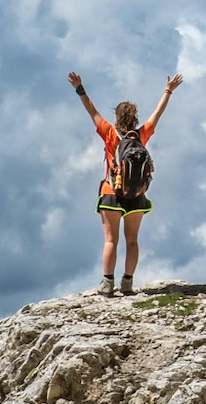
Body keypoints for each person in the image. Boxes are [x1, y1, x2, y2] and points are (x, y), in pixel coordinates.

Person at [70, 69, 182, 296]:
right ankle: (128, 283)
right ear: (135, 119)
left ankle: (107, 284)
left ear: (117, 119)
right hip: (136, 195)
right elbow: (157, 114)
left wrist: (79, 88)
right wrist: (168, 91)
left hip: (111, 192)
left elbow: (91, 111)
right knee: (133, 241)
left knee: (111, 240)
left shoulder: (109, 133)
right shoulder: (142, 135)